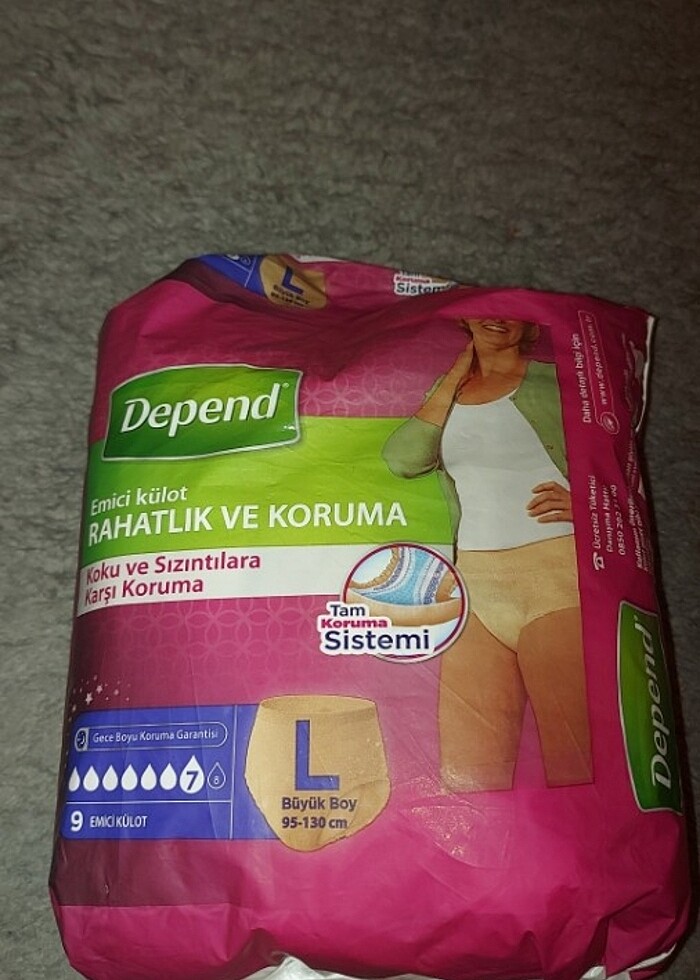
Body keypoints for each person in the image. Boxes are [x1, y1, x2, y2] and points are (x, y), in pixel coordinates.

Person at [382, 318, 593, 792]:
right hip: (475, 585)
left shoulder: (553, 381)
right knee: (468, 778)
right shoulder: (448, 390)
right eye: (486, 311)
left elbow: (612, 462)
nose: (498, 319)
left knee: (576, 765)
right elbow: (403, 459)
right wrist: (460, 369)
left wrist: (588, 506)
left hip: (554, 574)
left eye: (511, 312)